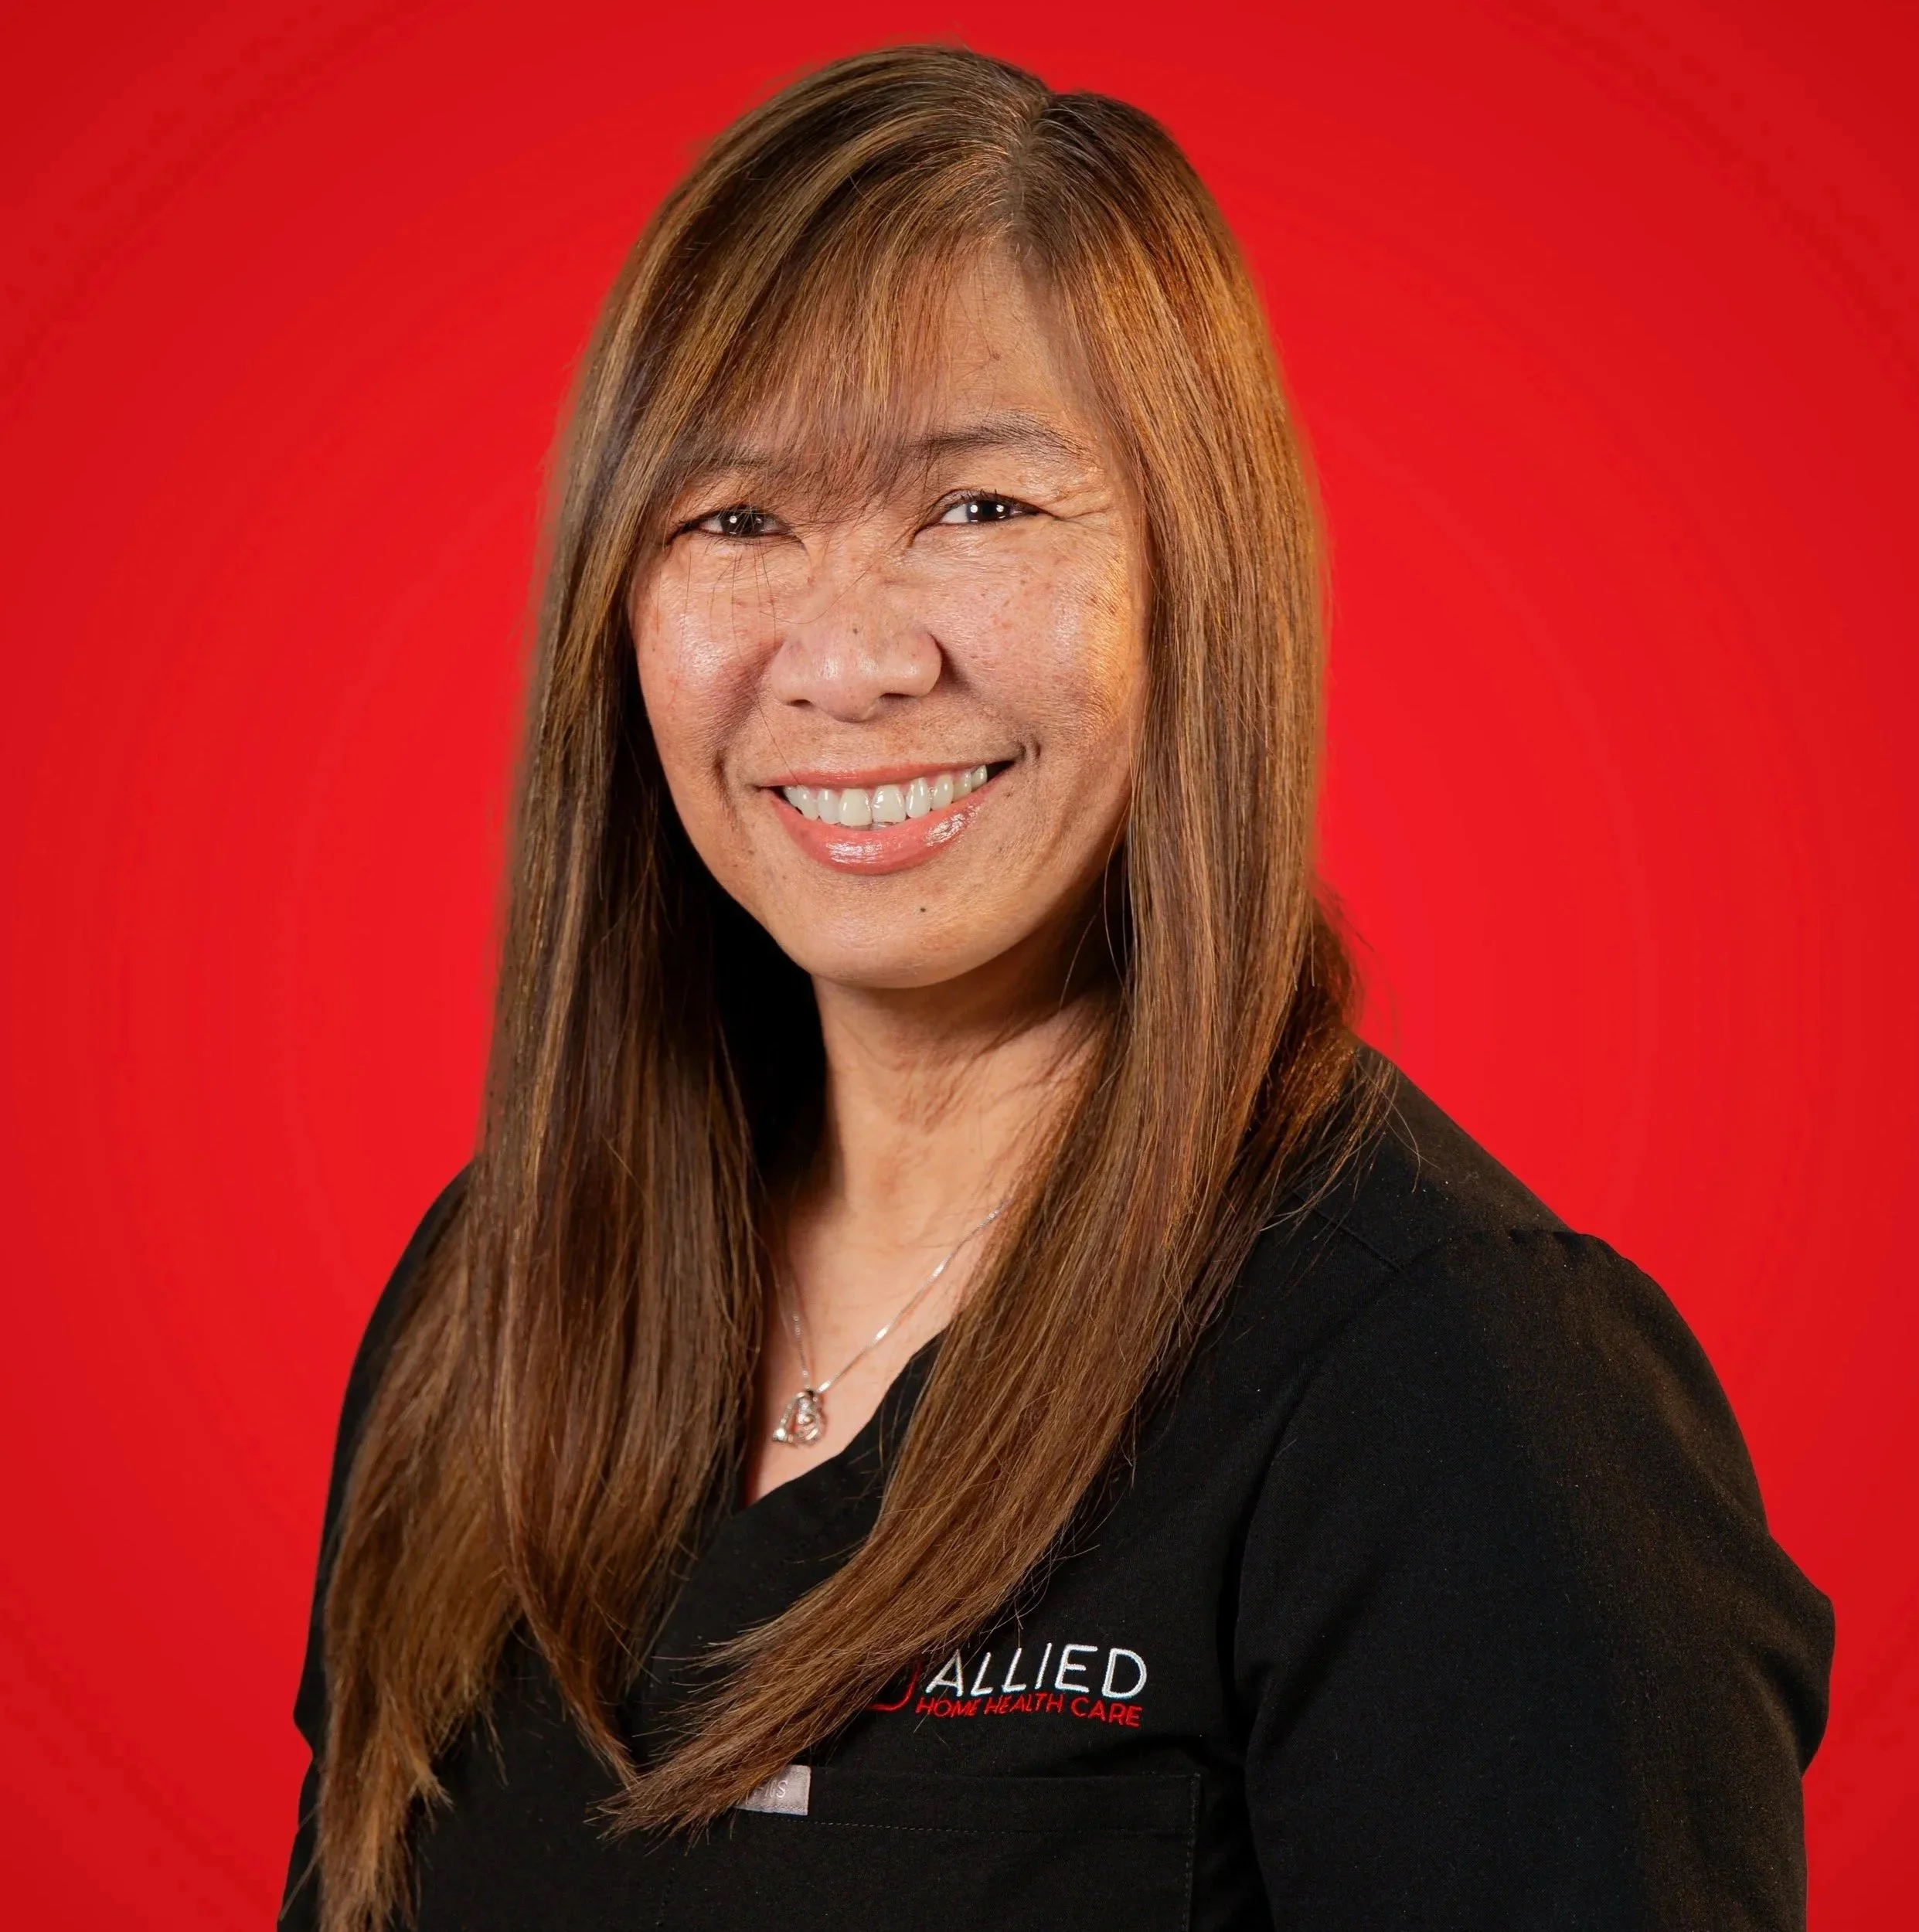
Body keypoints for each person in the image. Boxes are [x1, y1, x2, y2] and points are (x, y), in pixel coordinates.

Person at [281, 44, 1831, 1932]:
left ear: (1198, 579)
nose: (846, 659)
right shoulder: (492, 1305)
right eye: (736, 519)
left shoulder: (1455, 1395)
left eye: (978, 508)